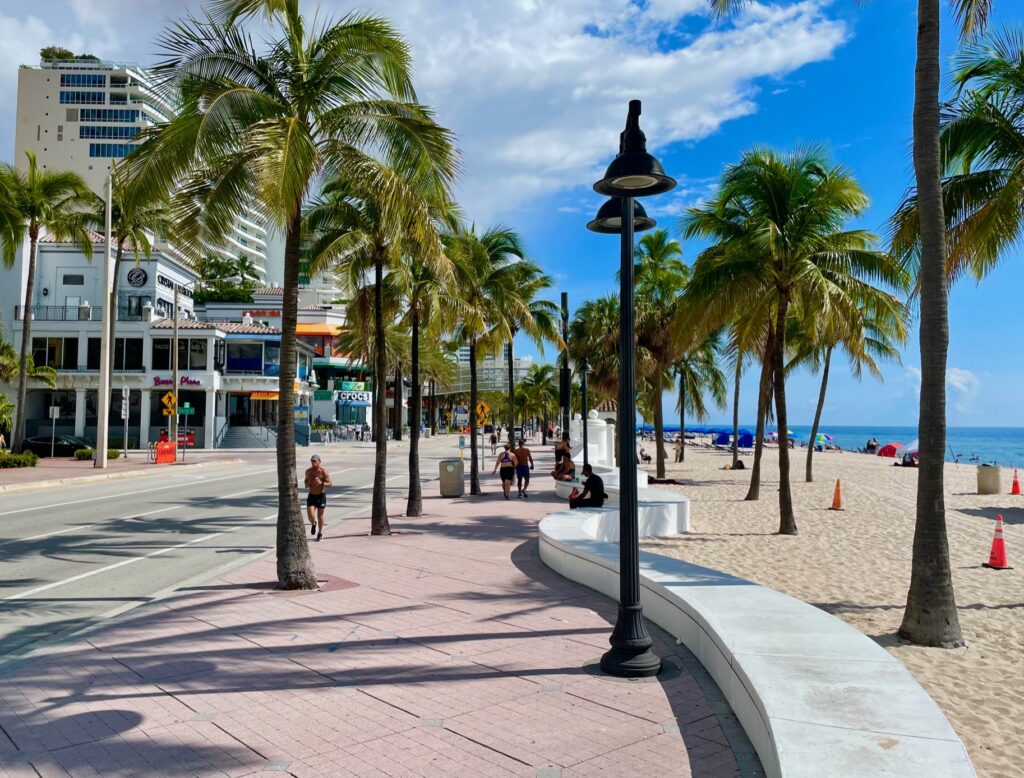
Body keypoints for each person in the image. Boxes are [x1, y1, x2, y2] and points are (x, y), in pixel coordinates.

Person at [304, 454, 333, 541]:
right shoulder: (308, 471)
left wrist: (321, 483)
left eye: (315, 461)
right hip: (312, 495)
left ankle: (320, 533)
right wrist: (309, 482)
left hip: (321, 495)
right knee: (310, 515)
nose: (313, 463)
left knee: (320, 515)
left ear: (319, 462)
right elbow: (305, 485)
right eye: (312, 461)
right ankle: (313, 523)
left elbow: (330, 484)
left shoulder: (323, 471)